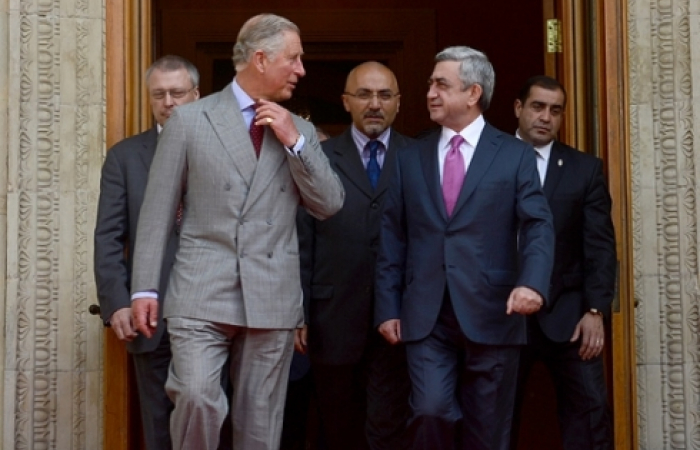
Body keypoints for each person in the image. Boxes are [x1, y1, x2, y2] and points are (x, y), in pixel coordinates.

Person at [129, 13, 344, 450]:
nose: (302, 69)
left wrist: (294, 142)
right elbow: (156, 210)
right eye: (295, 59)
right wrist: (143, 290)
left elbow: (329, 204)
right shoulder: (191, 120)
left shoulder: (299, 130)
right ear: (261, 59)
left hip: (272, 293)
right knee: (195, 397)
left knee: (260, 426)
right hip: (200, 287)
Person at [374, 46, 555, 450]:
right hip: (426, 313)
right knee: (430, 410)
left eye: (441, 84)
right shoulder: (410, 158)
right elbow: (393, 236)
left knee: (488, 430)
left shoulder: (515, 155)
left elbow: (538, 225)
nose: (431, 93)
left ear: (473, 93)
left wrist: (533, 284)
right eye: (430, 84)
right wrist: (387, 307)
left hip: (494, 309)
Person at [296, 61, 413, 450]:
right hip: (333, 318)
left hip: (401, 321)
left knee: (389, 427)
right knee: (338, 428)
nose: (374, 104)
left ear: (399, 102)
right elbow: (301, 241)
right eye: (364, 94)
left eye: (384, 95)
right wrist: (298, 312)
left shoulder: (420, 159)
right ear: (346, 102)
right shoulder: (320, 159)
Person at [93, 54, 200, 450]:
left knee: (212, 420)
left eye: (177, 93)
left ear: (197, 94)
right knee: (158, 429)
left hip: (211, 313)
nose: (168, 102)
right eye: (159, 94)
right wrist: (116, 302)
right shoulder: (125, 156)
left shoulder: (223, 150)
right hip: (148, 317)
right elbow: (108, 236)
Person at [510, 75, 616, 450]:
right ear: (518, 109)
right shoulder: (488, 160)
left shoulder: (583, 169)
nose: (546, 117)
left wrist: (596, 310)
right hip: (501, 316)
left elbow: (600, 246)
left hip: (569, 315)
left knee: (590, 414)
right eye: (537, 107)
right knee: (493, 420)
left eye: (555, 111)